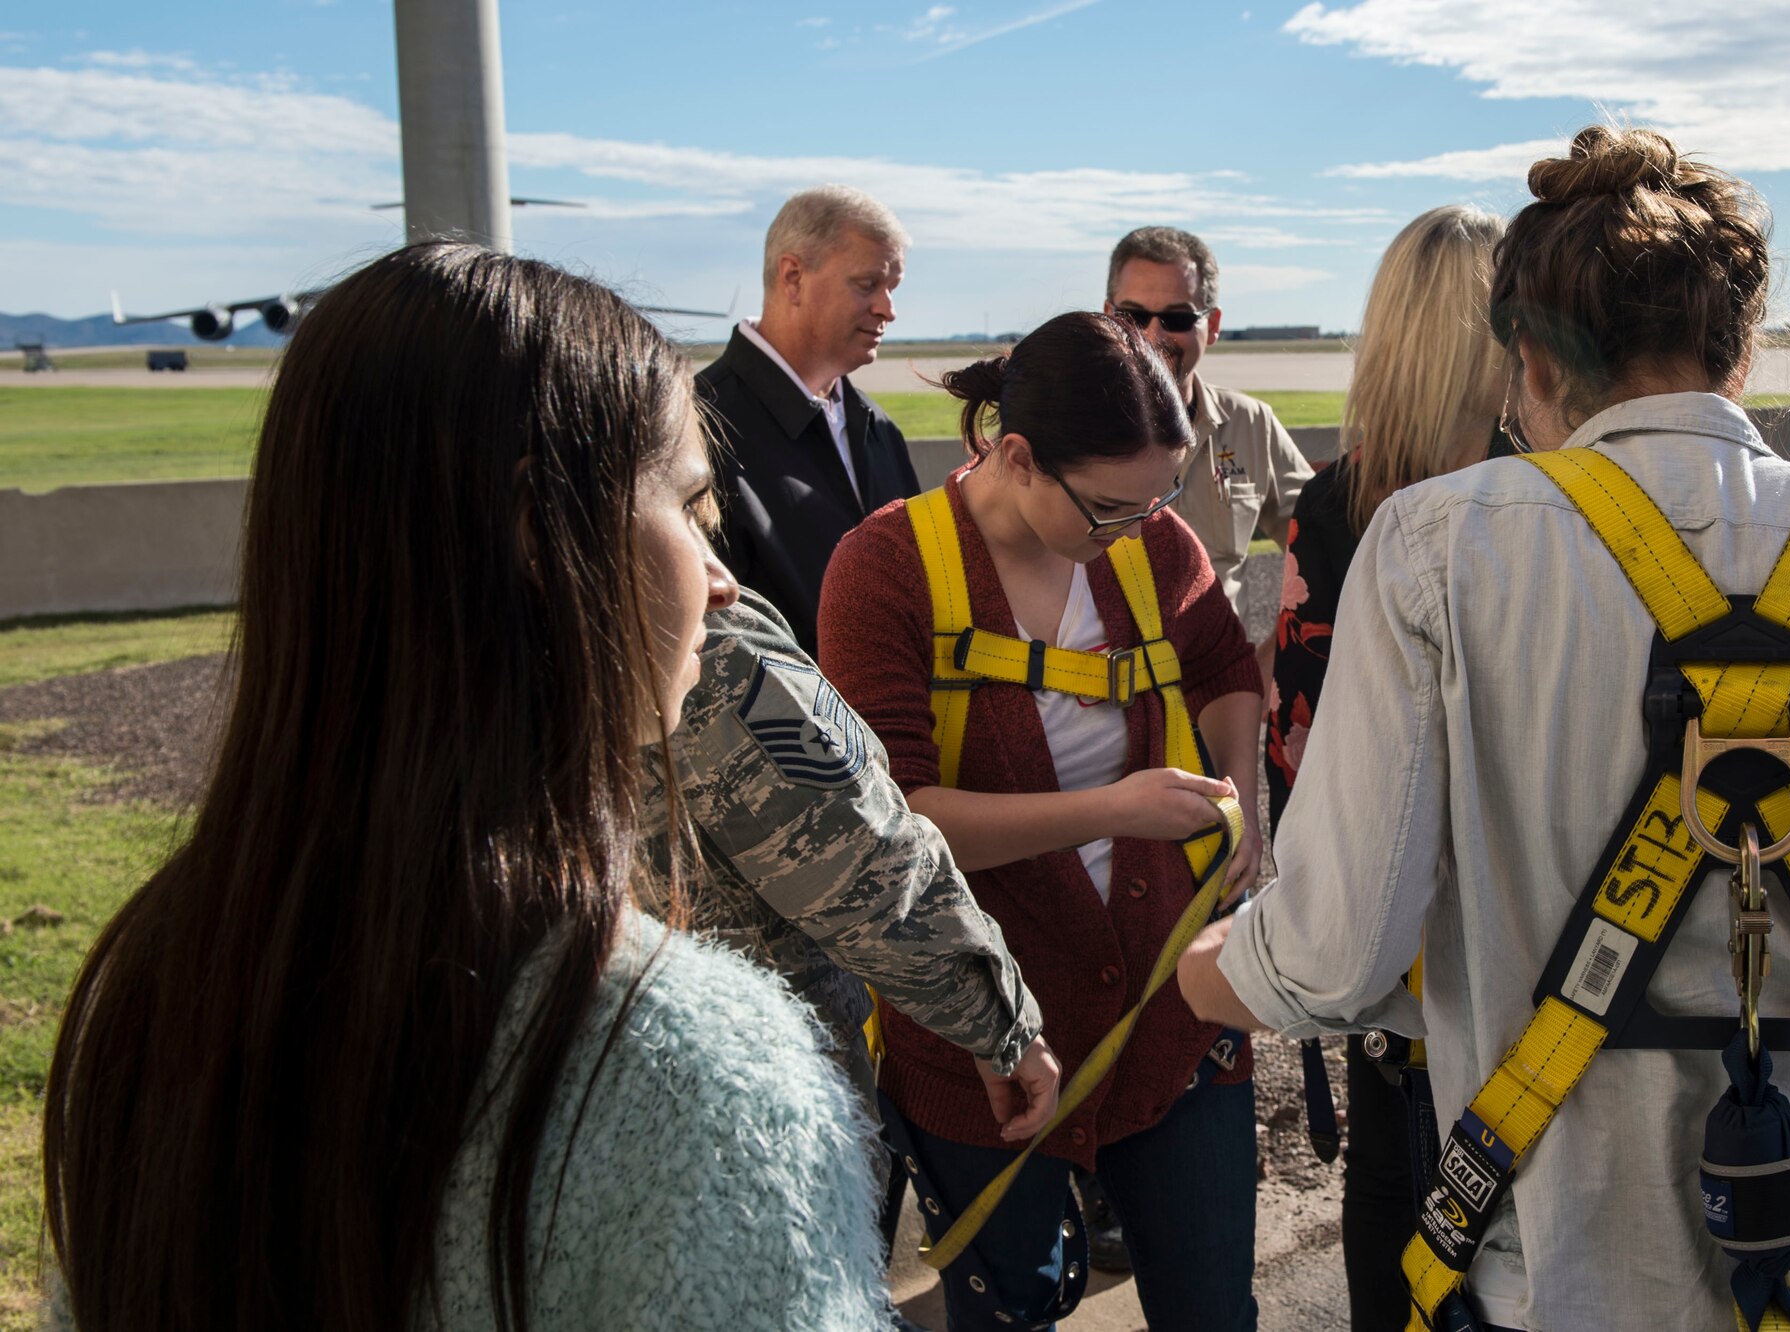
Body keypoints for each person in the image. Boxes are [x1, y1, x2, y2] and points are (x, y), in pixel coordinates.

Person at [1181, 126, 1790, 1330]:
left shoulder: (1435, 551)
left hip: (1571, 1268)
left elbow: (1339, 957)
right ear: (1738, 346)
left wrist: (1211, 974)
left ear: (1527, 357)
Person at [42, 243, 894, 1331]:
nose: (721, 581)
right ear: (544, 532)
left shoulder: (155, 990)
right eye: (689, 509)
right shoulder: (695, 1072)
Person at [818, 311, 1267, 1331]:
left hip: (1170, 1010)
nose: (1137, 528)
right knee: (1005, 1313)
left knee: (1212, 1310)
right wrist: (1112, 811)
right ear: (1014, 458)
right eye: (1109, 508)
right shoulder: (884, 569)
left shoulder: (1151, 537)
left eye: (1157, 498)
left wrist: (1248, 804)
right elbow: (893, 826)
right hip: (985, 1032)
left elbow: (1221, 666)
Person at [658, 586, 1065, 1332]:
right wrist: (999, 1023)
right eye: (689, 504)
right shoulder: (690, 634)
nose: (719, 571)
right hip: (735, 1161)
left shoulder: (406, 638)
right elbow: (866, 864)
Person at [1262, 203, 1506, 1332]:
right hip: (1522, 910)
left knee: (1391, 1182)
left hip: (1385, 925)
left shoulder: (1337, 500)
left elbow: (1294, 736)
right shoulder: (1543, 492)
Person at [700, 184, 918, 657]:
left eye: (892, 289)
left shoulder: (878, 429)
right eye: (867, 285)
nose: (888, 309)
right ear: (793, 277)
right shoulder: (698, 427)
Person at [1105, 225, 1316, 662]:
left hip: (1216, 701)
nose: (1151, 334)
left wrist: (1270, 665)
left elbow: (1328, 549)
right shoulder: (1064, 423)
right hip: (1095, 708)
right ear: (1107, 316)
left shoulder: (1251, 424)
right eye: (1132, 316)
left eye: (1177, 319)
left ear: (1213, 325)